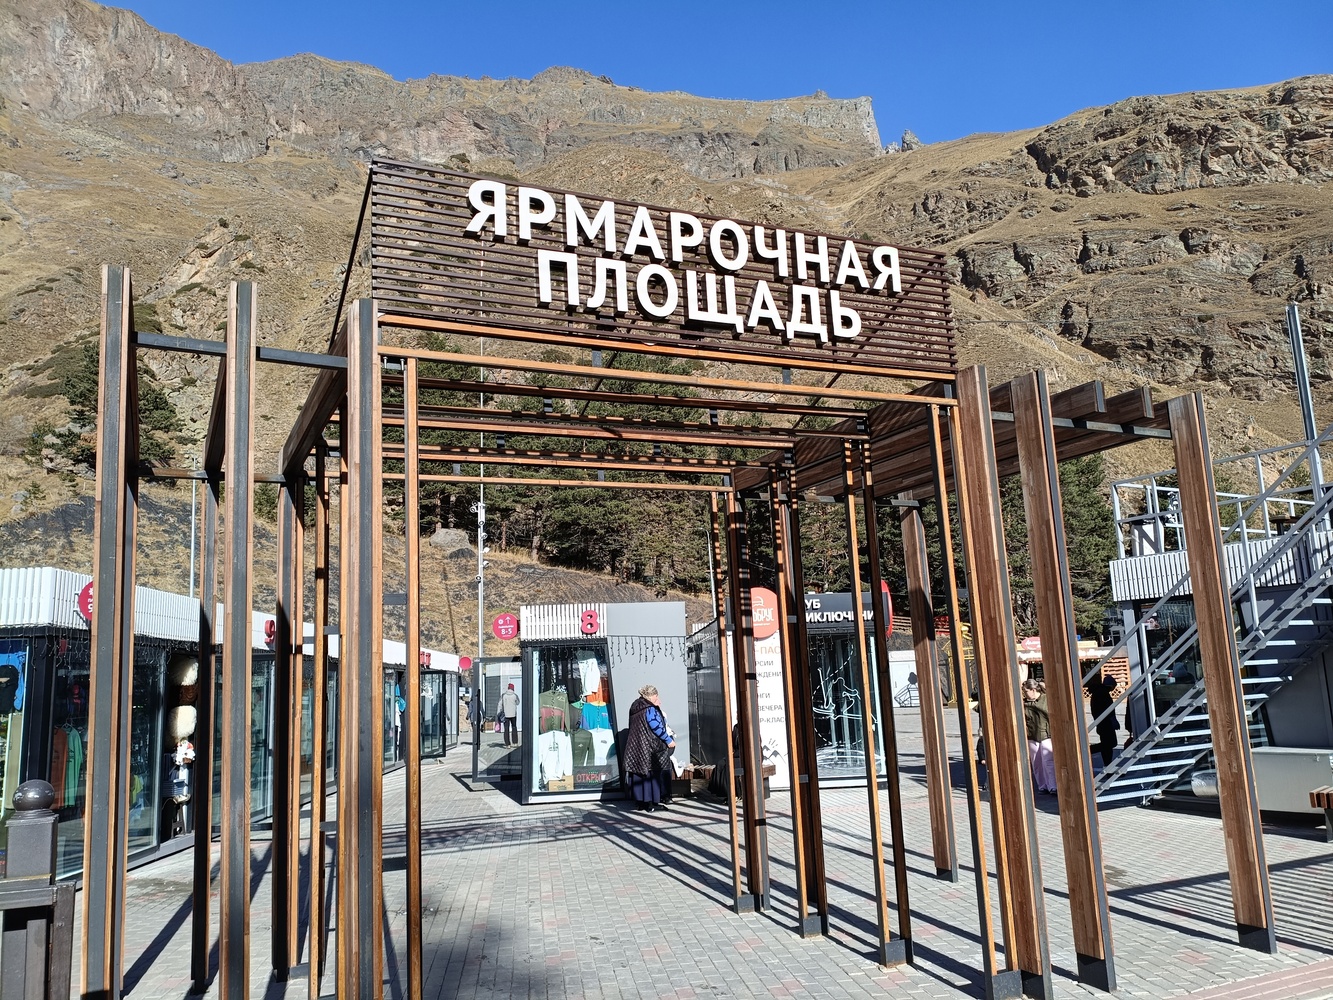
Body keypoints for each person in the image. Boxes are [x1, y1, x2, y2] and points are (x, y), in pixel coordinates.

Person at [623, 684, 674, 812]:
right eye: (656, 696)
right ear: (651, 696)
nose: (658, 699)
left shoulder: (636, 707)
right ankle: (651, 803)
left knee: (639, 773)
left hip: (635, 746)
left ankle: (641, 803)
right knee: (651, 773)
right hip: (649, 747)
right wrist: (668, 740)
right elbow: (656, 726)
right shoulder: (649, 709)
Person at [1023, 678, 1056, 794]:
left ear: (1033, 690)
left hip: (1047, 734)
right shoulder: (1024, 703)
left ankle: (1053, 786)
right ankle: (1042, 786)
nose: (1024, 694)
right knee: (1036, 762)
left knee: (1048, 761)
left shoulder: (1045, 699)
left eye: (1026, 691)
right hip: (1032, 735)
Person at [1087, 671, 1120, 768]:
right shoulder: (1103, 694)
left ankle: (1108, 765)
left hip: (1101, 723)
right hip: (1106, 723)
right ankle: (1089, 750)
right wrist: (1113, 720)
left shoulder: (1097, 692)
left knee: (1107, 745)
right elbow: (1108, 709)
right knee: (1109, 744)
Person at [498, 682, 519, 748]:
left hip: (505, 715)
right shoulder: (515, 695)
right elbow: (518, 702)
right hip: (513, 714)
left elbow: (500, 704)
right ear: (513, 688)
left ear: (508, 688)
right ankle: (515, 743)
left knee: (506, 729)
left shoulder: (503, 695)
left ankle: (508, 744)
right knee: (514, 727)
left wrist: (499, 713)